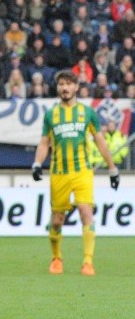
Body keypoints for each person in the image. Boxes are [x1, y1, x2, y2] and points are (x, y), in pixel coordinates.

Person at [32, 70, 120, 276]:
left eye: (68, 84)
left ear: (76, 87)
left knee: (85, 211)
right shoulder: (50, 114)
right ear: (58, 88)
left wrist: (112, 168)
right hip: (59, 173)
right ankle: (56, 259)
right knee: (57, 220)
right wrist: (37, 163)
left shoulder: (88, 113)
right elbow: (44, 143)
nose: (65, 88)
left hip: (82, 171)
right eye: (61, 84)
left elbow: (100, 141)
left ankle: (88, 262)